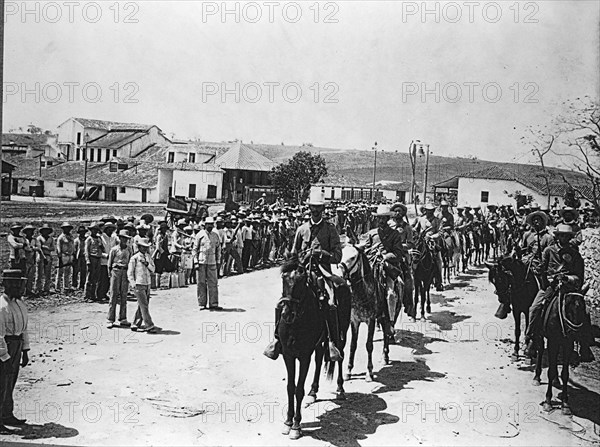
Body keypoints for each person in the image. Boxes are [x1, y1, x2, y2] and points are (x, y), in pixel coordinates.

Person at [264, 190, 344, 362]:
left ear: (323, 209)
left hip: (322, 273)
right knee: (283, 301)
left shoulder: (330, 230)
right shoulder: (301, 229)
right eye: (312, 208)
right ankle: (277, 339)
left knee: (330, 302)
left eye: (318, 208)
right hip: (301, 273)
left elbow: (338, 256)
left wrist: (321, 253)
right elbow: (293, 255)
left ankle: (331, 342)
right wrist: (299, 259)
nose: (314, 211)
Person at [523, 224, 594, 362]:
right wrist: (542, 273)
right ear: (557, 236)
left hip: (569, 288)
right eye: (561, 235)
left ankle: (584, 345)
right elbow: (543, 269)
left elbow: (579, 276)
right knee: (534, 308)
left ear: (570, 237)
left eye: (567, 236)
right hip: (551, 287)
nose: (564, 238)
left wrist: (568, 278)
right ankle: (531, 338)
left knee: (584, 312)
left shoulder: (575, 254)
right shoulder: (549, 251)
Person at [359, 204, 405, 336]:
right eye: (379, 218)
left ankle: (390, 322)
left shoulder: (395, 234)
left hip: (387, 268)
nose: (381, 221)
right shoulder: (372, 233)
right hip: (372, 266)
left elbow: (398, 253)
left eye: (384, 218)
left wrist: (385, 256)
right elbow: (366, 250)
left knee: (391, 293)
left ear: (387, 219)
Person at [0, 270, 31, 433]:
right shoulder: (2, 306)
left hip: (17, 345)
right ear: (9, 285)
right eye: (17, 284)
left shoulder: (19, 304)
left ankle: (7, 414)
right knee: (1, 384)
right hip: (6, 346)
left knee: (10, 382)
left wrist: (25, 351)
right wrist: (3, 356)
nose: (20, 288)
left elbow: (24, 329)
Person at [128, 238, 157, 333]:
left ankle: (135, 323)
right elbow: (130, 273)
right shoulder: (134, 258)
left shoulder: (148, 257)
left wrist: (147, 264)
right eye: (142, 247)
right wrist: (133, 284)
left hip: (147, 283)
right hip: (138, 283)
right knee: (144, 305)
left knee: (142, 304)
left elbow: (153, 269)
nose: (144, 249)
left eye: (146, 247)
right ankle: (149, 325)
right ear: (139, 247)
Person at [192, 216, 222, 310]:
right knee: (201, 283)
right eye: (208, 224)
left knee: (213, 283)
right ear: (205, 225)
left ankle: (214, 303)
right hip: (201, 262)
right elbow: (194, 250)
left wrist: (218, 261)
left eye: (211, 225)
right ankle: (202, 303)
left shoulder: (215, 235)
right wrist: (196, 262)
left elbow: (218, 250)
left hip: (212, 262)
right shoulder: (199, 235)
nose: (210, 226)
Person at [414, 203, 444, 291]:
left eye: (431, 210)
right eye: (427, 210)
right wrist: (413, 230)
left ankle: (439, 281)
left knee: (438, 259)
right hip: (421, 241)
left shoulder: (437, 221)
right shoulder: (421, 219)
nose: (429, 212)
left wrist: (431, 237)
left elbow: (440, 233)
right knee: (414, 255)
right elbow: (416, 229)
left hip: (432, 242)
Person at [107, 230, 133, 328]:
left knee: (124, 295)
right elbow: (109, 263)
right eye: (122, 238)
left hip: (125, 271)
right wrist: (109, 274)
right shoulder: (114, 250)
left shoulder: (129, 250)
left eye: (126, 238)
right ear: (119, 238)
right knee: (113, 295)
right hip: (116, 271)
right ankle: (110, 319)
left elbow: (131, 262)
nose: (124, 240)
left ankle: (123, 318)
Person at [84, 222, 104, 302]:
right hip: (92, 258)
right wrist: (88, 261)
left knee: (96, 278)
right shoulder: (89, 239)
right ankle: (87, 296)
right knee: (90, 277)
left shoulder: (99, 238)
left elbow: (102, 248)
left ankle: (93, 295)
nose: (94, 232)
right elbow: (86, 251)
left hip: (98, 258)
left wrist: (100, 245)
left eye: (96, 230)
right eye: (93, 230)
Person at [55, 222, 75, 294]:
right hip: (63, 255)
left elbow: (73, 246)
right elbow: (58, 248)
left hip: (70, 255)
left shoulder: (71, 236)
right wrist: (60, 258)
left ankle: (66, 287)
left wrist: (73, 255)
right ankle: (57, 288)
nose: (68, 230)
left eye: (68, 228)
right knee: (60, 272)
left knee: (67, 272)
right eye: (66, 228)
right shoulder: (61, 238)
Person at [36, 224, 55, 296]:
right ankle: (38, 289)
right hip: (41, 257)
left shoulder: (51, 239)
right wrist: (43, 257)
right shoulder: (39, 238)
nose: (45, 232)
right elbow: (39, 249)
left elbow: (53, 248)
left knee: (48, 274)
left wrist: (47, 248)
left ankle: (46, 289)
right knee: (39, 274)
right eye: (44, 230)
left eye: (47, 230)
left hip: (48, 256)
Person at [73, 225, 88, 290]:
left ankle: (82, 284)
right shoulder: (76, 240)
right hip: (78, 257)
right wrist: (74, 257)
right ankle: (74, 284)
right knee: (75, 271)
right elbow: (74, 249)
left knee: (83, 271)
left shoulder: (87, 239)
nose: (82, 233)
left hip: (84, 257)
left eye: (83, 232)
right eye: (81, 232)